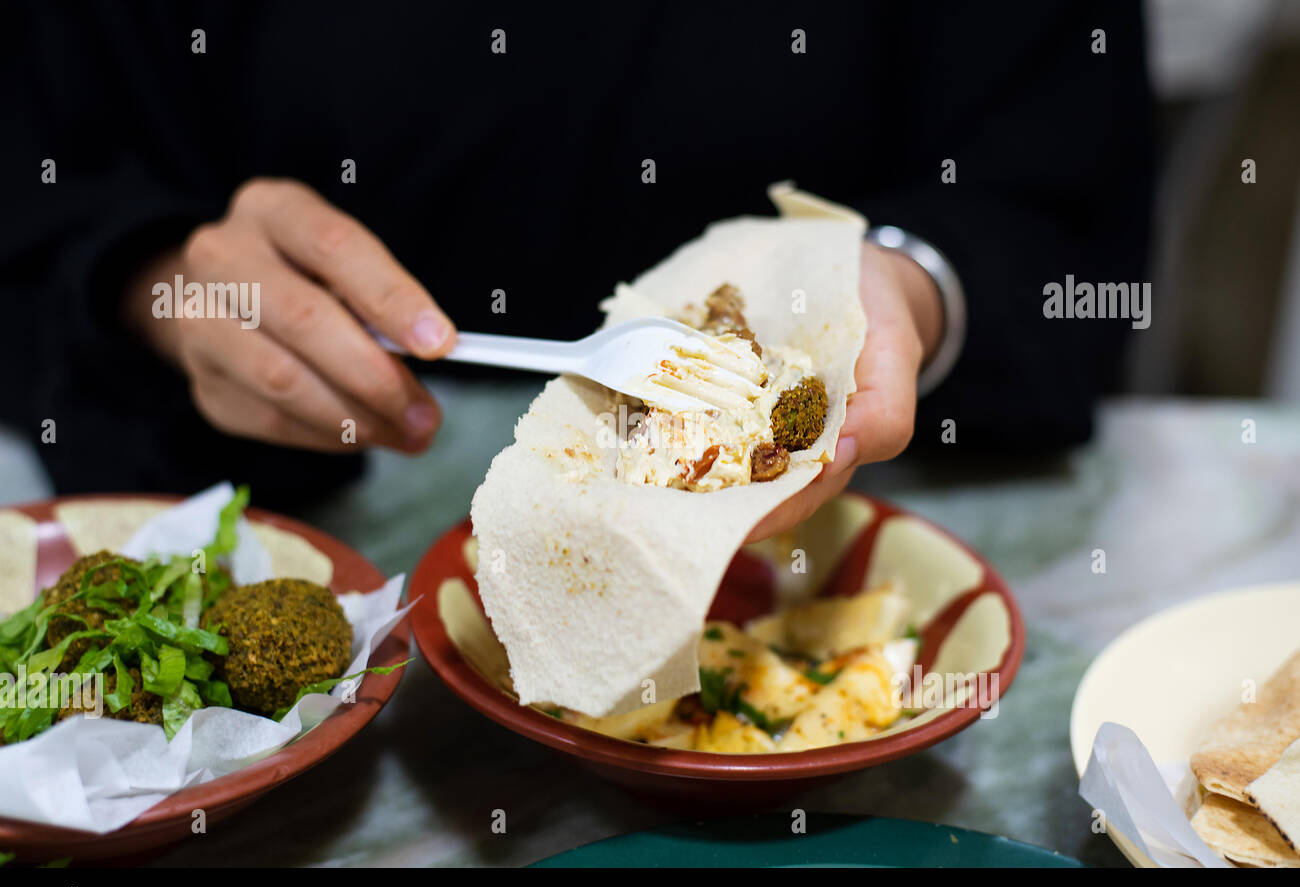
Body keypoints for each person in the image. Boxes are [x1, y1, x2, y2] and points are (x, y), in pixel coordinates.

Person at [1, 2, 1152, 533]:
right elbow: (40, 167)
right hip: (300, 522)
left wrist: (910, 280)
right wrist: (153, 281)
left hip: (845, 526)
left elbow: (1056, 202)